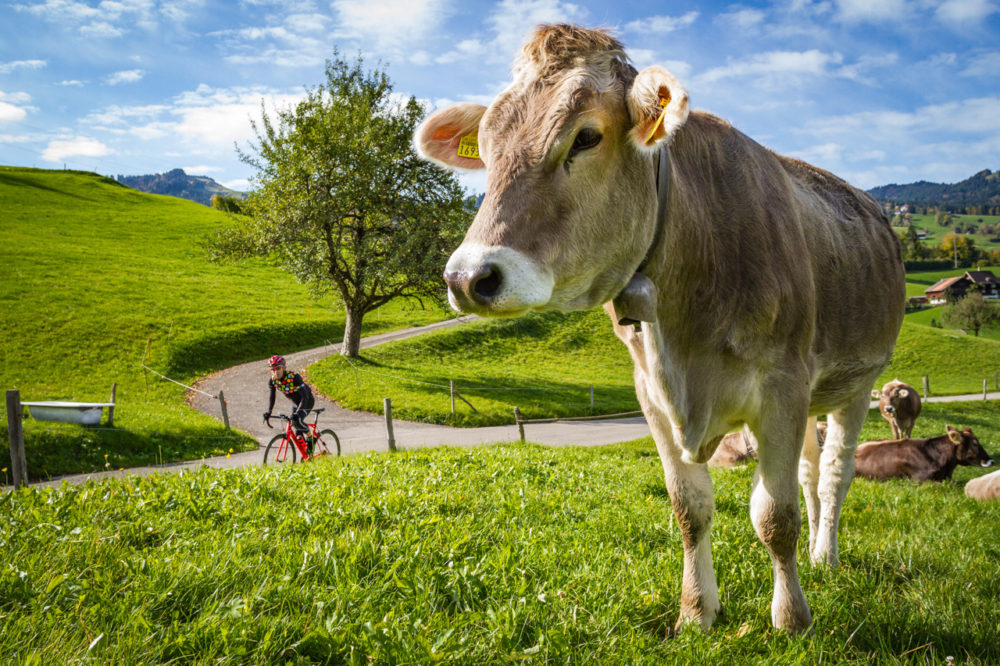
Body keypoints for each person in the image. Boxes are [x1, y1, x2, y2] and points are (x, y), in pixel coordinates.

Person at [263, 355, 316, 453]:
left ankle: (311, 438)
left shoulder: (294, 377)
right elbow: (272, 397)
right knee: (297, 433)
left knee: (298, 420)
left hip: (307, 401)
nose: (276, 371)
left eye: (278, 368)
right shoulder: (273, 381)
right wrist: (268, 412)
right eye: (272, 369)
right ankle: (307, 454)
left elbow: (305, 397)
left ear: (284, 368)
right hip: (295, 404)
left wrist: (298, 413)